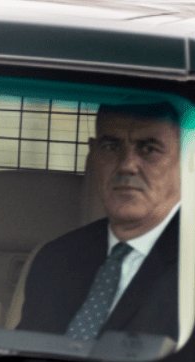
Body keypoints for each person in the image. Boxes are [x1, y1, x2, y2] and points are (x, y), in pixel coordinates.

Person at [18, 102, 180, 341]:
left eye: (149, 149)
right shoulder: (55, 259)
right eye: (110, 146)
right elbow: (23, 360)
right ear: (93, 153)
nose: (127, 165)